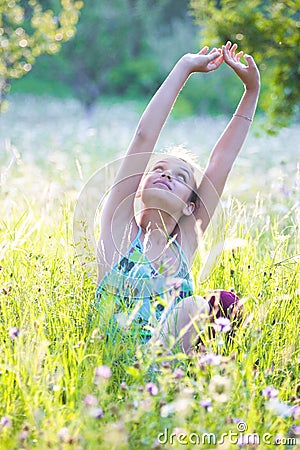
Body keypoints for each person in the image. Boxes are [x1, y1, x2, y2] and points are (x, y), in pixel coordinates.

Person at [96, 41, 260, 353]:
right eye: (158, 169)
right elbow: (144, 136)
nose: (167, 175)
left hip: (163, 363)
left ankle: (190, 376)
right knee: (197, 305)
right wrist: (184, 66)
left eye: (181, 177)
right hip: (116, 361)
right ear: (138, 189)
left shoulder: (184, 243)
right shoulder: (119, 231)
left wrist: (251, 93)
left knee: (216, 303)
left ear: (190, 205)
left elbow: (220, 163)